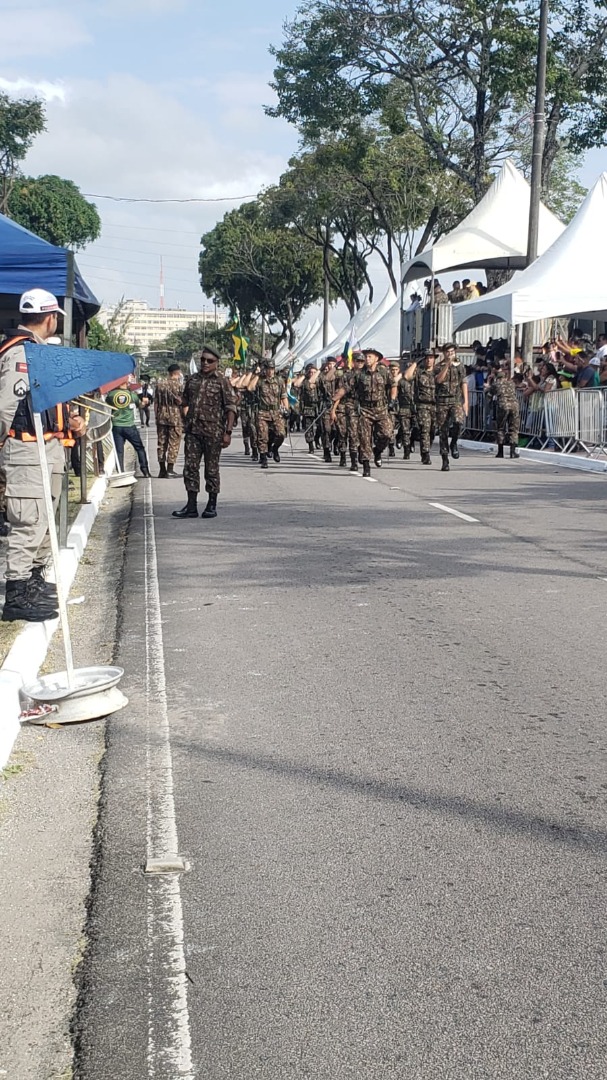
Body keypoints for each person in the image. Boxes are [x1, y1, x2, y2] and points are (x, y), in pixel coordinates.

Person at [0, 288, 87, 622]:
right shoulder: (21, 354)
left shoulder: (36, 352)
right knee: (29, 521)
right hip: (25, 448)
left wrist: (71, 421)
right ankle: (17, 595)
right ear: (51, 318)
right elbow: (7, 407)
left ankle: (33, 582)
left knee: (43, 522)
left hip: (46, 447)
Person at [172, 346, 237, 519]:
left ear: (216, 363)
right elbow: (186, 399)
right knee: (190, 467)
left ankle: (211, 504)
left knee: (211, 469)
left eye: (209, 361)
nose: (205, 363)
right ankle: (191, 505)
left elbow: (230, 407)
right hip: (193, 431)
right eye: (203, 360)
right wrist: (181, 402)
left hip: (213, 433)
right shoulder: (192, 379)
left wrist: (228, 432)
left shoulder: (222, 381)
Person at [333, 347, 391, 477]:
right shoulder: (359, 374)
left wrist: (392, 399)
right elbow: (346, 388)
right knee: (365, 439)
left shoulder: (383, 372)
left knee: (387, 434)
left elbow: (392, 385)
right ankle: (366, 465)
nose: (367, 359)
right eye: (366, 356)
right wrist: (334, 398)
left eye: (370, 356)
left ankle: (378, 451)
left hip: (381, 409)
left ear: (376, 358)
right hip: (365, 409)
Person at [248, 358, 289, 469]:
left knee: (281, 434)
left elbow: (284, 396)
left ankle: (274, 449)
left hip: (276, 411)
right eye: (268, 369)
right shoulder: (260, 380)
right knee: (262, 435)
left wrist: (287, 409)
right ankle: (263, 457)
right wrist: (257, 375)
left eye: (272, 369)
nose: (270, 371)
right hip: (263, 411)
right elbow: (250, 387)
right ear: (265, 369)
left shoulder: (279, 380)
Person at [106, 380, 151, 477]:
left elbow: (107, 405)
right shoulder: (131, 395)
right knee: (139, 448)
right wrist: (144, 402)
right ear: (124, 383)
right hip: (129, 426)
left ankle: (120, 471)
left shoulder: (111, 395)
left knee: (119, 451)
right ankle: (145, 470)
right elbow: (141, 405)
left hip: (116, 426)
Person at [434, 343, 468, 471]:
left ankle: (454, 443)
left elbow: (463, 382)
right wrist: (447, 365)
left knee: (459, 422)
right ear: (444, 353)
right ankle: (445, 459)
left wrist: (466, 401)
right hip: (442, 402)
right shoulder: (438, 367)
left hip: (455, 400)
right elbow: (439, 380)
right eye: (448, 352)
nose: (450, 354)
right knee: (443, 431)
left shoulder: (460, 366)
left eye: (452, 352)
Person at [404, 351, 437, 464]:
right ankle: (425, 453)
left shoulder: (437, 372)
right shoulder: (419, 372)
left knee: (433, 430)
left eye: (431, 358)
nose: (429, 360)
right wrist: (415, 363)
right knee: (425, 429)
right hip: (422, 404)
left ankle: (426, 448)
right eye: (427, 358)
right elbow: (407, 376)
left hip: (436, 405)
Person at [154, 364, 183, 478]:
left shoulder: (160, 385)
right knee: (173, 443)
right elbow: (182, 403)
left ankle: (162, 470)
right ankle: (170, 470)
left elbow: (156, 403)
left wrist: (157, 416)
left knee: (161, 443)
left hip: (161, 416)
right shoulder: (179, 386)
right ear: (177, 372)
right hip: (175, 417)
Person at [485, 365, 520, 458]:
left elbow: (488, 395)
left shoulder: (496, 384)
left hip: (502, 405)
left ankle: (500, 452)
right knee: (514, 428)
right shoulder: (511, 383)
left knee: (500, 428)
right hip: (514, 405)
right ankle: (513, 452)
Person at [390, 358, 416, 460]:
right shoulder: (399, 381)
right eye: (392, 369)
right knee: (403, 430)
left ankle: (409, 440)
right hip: (401, 408)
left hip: (414, 408)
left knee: (416, 428)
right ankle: (406, 450)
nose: (394, 371)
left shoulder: (416, 379)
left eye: (396, 369)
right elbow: (394, 382)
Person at [294, 363, 321, 454]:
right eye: (310, 372)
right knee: (309, 427)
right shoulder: (305, 382)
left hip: (318, 407)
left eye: (314, 372)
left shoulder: (319, 381)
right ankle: (311, 446)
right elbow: (296, 384)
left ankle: (317, 438)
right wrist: (304, 375)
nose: (312, 374)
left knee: (321, 427)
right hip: (308, 407)